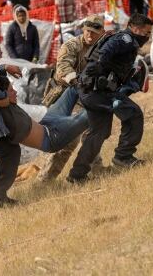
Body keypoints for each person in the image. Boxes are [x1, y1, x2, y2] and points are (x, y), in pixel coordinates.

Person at [67, 13, 153, 184]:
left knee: (99, 132)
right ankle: (123, 157)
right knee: (134, 114)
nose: (147, 36)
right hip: (97, 91)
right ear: (135, 28)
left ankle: (77, 175)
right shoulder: (125, 39)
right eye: (146, 33)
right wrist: (99, 69)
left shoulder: (125, 39)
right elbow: (104, 53)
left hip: (91, 91)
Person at [38, 15, 106, 181]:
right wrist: (78, 81)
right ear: (83, 29)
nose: (90, 35)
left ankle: (96, 169)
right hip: (63, 95)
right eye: (88, 31)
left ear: (101, 33)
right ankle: (45, 179)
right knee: (69, 138)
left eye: (94, 32)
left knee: (92, 131)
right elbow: (63, 68)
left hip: (85, 95)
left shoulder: (103, 47)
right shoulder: (72, 45)